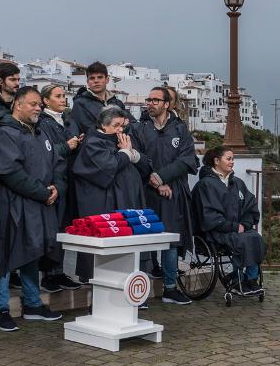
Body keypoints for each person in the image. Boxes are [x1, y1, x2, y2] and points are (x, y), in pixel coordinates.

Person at [0, 87, 64, 330]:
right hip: (11, 205)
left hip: (39, 205)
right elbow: (10, 172)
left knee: (33, 252)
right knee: (4, 256)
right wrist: (43, 193)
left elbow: (58, 164)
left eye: (40, 104)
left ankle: (32, 303)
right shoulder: (3, 133)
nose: (38, 108)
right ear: (17, 105)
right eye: (33, 104)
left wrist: (57, 188)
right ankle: (0, 309)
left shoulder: (41, 132)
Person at [133, 87, 198, 305]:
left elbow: (187, 160)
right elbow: (136, 157)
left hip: (173, 192)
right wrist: (155, 180)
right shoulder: (139, 129)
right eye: (148, 99)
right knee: (142, 240)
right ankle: (138, 294)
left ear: (167, 104)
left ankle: (170, 288)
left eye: (155, 100)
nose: (150, 103)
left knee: (171, 239)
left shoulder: (180, 129)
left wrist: (163, 177)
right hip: (145, 191)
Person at [71, 105, 148, 282]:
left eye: (122, 125)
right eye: (116, 125)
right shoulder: (93, 143)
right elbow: (108, 167)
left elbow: (146, 166)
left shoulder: (122, 140)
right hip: (105, 204)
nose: (120, 129)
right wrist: (125, 154)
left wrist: (134, 155)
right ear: (104, 126)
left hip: (128, 201)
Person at [194, 146, 265, 295]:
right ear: (216, 161)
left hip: (237, 229)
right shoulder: (206, 184)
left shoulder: (237, 183)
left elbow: (250, 205)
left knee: (256, 238)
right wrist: (233, 226)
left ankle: (251, 280)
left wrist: (244, 224)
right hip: (216, 231)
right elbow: (209, 215)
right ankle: (237, 280)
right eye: (229, 159)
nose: (232, 162)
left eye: (233, 159)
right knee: (242, 241)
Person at [36, 84, 84, 293]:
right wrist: (67, 146)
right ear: (46, 100)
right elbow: (42, 151)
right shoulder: (43, 123)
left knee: (64, 228)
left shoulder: (67, 120)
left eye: (64, 95)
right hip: (54, 181)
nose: (64, 99)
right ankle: (48, 274)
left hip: (69, 181)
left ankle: (59, 272)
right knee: (52, 229)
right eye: (58, 96)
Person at [68, 62, 126, 137]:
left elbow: (130, 124)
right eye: (92, 78)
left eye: (100, 77)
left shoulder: (118, 103)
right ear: (88, 82)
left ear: (107, 79)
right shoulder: (80, 104)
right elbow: (90, 130)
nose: (96, 81)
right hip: (96, 146)